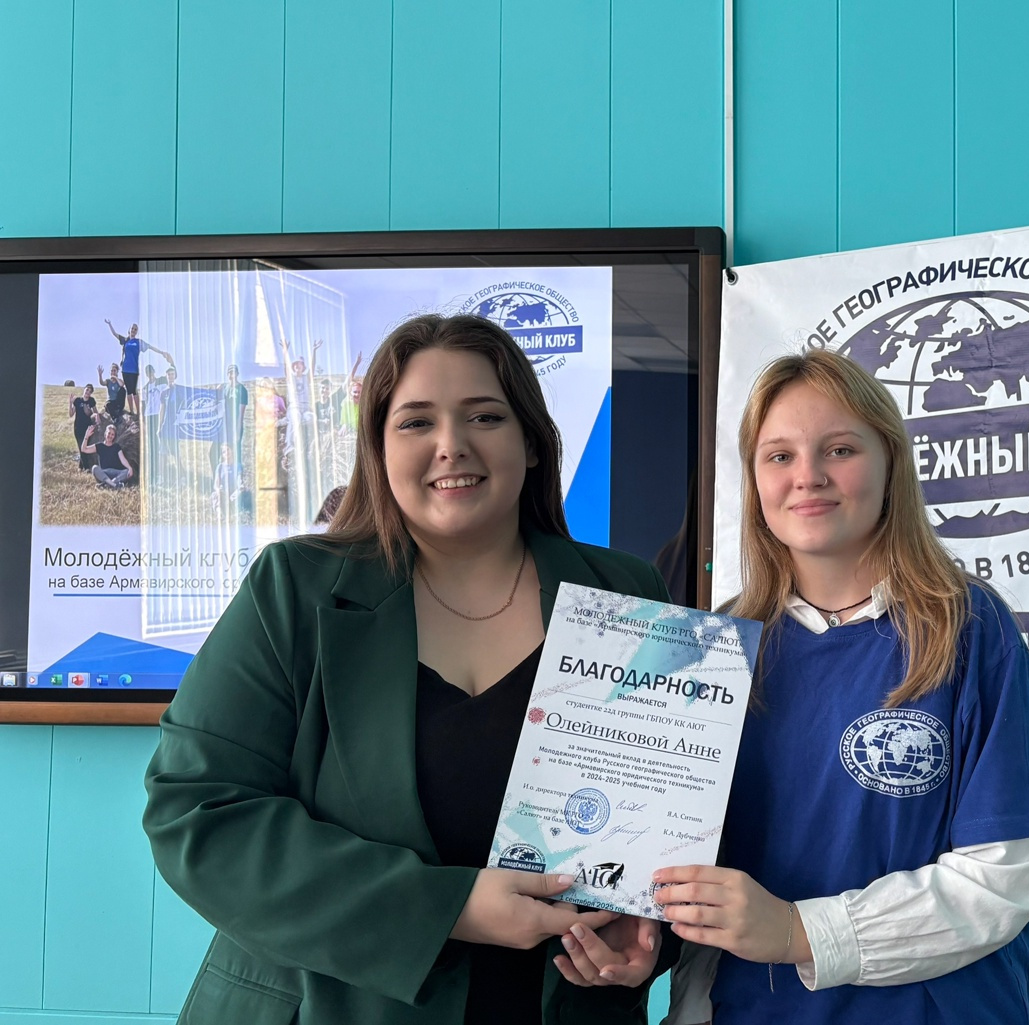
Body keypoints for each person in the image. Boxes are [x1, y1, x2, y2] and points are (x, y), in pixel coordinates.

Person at [143, 313, 678, 1024]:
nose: (451, 444)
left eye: (485, 416)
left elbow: (674, 821)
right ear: (378, 448)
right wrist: (449, 908)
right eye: (416, 422)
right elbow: (197, 812)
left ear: (531, 442)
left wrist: (649, 940)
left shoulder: (626, 593)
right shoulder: (293, 589)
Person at [645, 349, 1029, 1024]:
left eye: (839, 449)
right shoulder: (715, 646)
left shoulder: (967, 628)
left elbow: (1008, 875)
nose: (808, 476)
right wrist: (640, 940)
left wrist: (801, 932)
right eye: (779, 456)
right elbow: (686, 863)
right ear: (754, 479)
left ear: (890, 464)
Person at [105, 319, 174, 418]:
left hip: (134, 369)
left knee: (134, 391)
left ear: (137, 331)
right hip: (125, 369)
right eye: (132, 328)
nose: (133, 330)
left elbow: (150, 347)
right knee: (128, 391)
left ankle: (138, 412)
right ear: (129, 330)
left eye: (135, 329)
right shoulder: (125, 340)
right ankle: (131, 411)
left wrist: (162, 352)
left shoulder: (138, 342)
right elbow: (115, 334)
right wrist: (110, 324)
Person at [81, 421, 133, 489]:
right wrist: (86, 436)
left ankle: (107, 484)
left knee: (126, 472)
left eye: (112, 434)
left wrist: (129, 468)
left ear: (114, 436)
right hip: (104, 473)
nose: (110, 436)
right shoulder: (99, 446)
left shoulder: (116, 446)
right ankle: (114, 485)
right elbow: (84, 449)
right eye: (109, 433)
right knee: (94, 468)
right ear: (105, 433)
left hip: (116, 473)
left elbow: (122, 459)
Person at [69, 384, 98, 470]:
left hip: (88, 427)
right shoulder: (77, 400)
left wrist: (93, 414)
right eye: (87, 390)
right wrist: (70, 403)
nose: (88, 392)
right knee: (81, 446)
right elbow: (71, 414)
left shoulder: (91, 401)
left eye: (90, 391)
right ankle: (86, 467)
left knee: (86, 446)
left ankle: (81, 466)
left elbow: (96, 412)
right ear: (84, 389)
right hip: (78, 427)